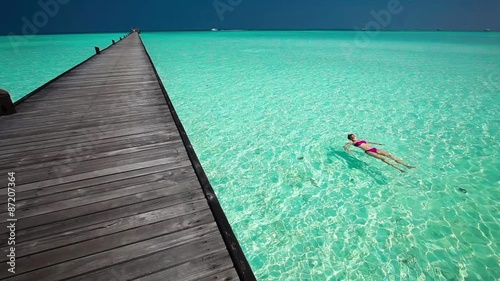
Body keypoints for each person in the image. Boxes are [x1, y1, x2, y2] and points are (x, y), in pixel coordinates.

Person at [344, 133, 416, 173]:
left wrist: (378, 144)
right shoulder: (352, 142)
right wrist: (348, 150)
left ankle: (407, 165)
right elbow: (345, 146)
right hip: (368, 151)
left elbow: (369, 142)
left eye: (353, 135)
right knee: (383, 159)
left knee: (389, 155)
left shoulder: (361, 140)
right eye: (351, 137)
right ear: (350, 138)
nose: (353, 137)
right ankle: (399, 169)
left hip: (374, 148)